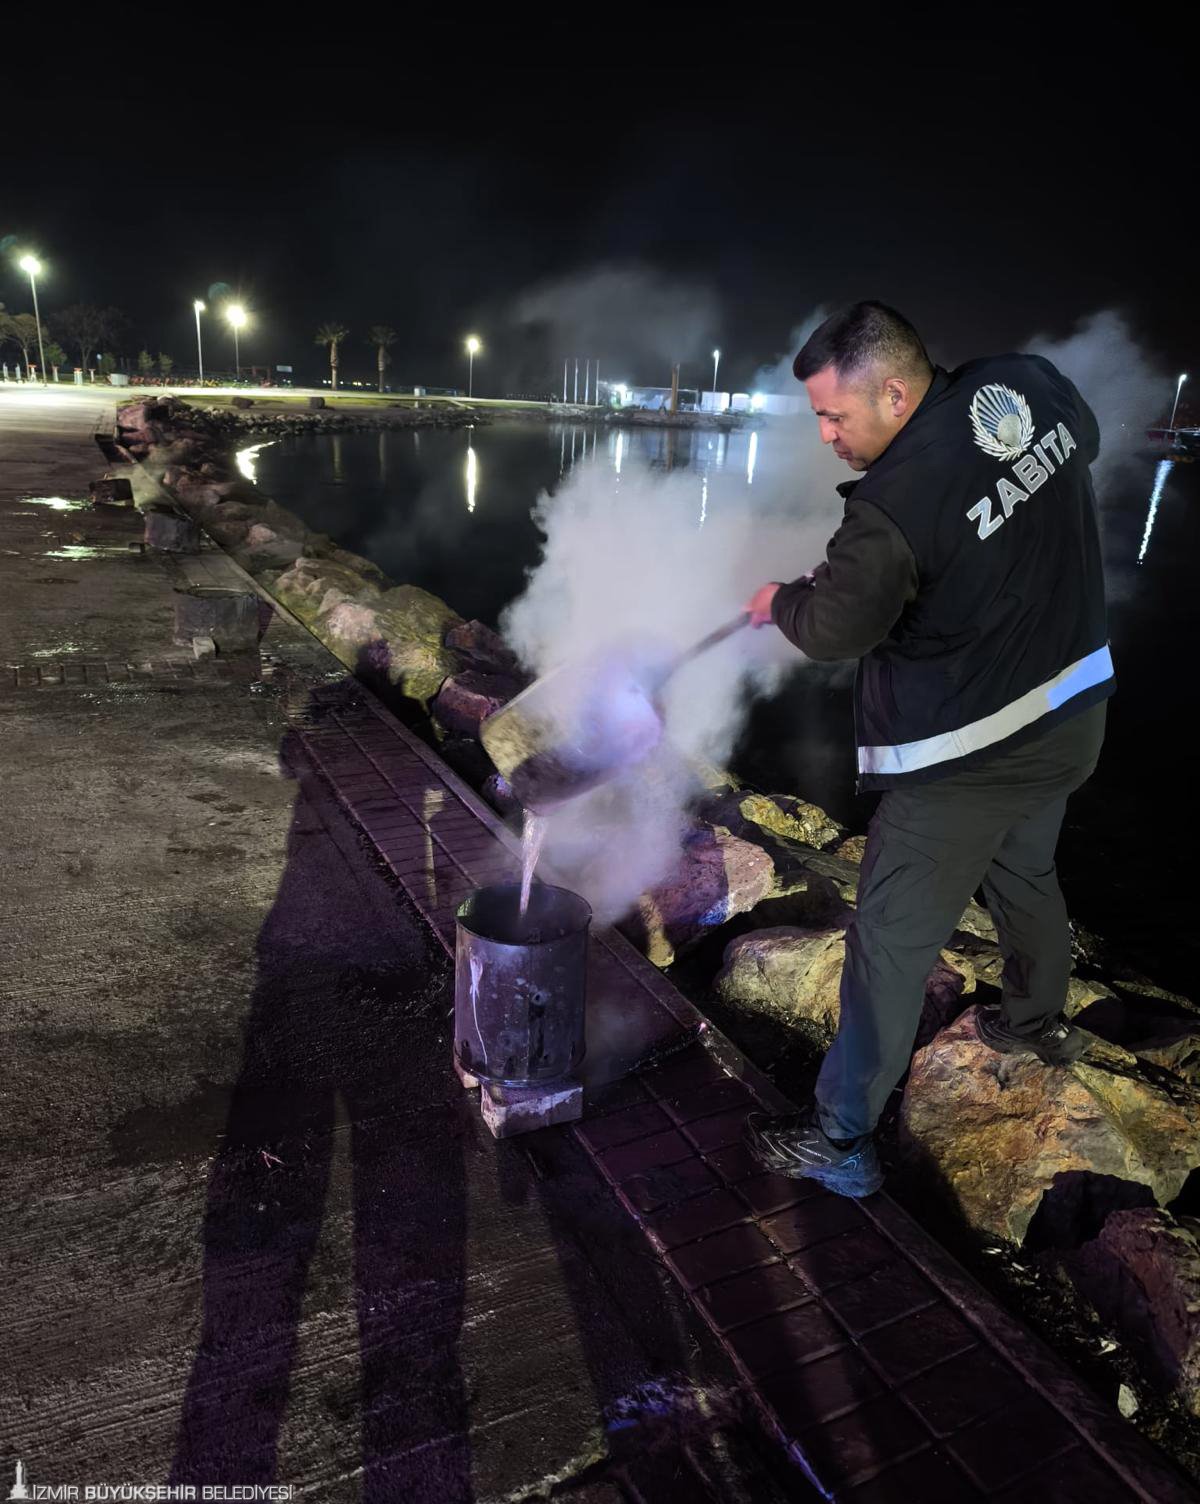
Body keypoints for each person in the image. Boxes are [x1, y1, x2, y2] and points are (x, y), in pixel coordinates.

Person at [742, 302, 1114, 1199]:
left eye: (833, 415)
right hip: (1070, 714)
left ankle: (840, 1139)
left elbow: (834, 630)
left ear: (896, 395)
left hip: (966, 756)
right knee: (1026, 872)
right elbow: (1081, 449)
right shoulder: (1024, 384)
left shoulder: (891, 507)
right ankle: (1033, 1021)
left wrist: (778, 602)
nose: (826, 436)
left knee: (891, 943)